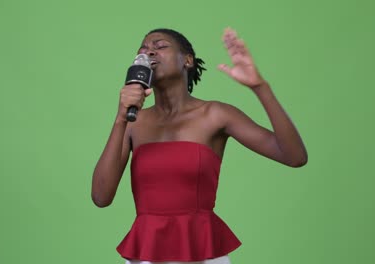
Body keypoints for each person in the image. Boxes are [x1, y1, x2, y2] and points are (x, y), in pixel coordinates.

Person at [91, 27, 308, 264]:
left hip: (201, 252)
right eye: (144, 49)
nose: (150, 52)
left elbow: (294, 156)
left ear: (188, 60)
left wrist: (260, 87)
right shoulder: (134, 122)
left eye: (160, 46)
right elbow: (101, 197)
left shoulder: (215, 114)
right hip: (146, 255)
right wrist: (121, 117)